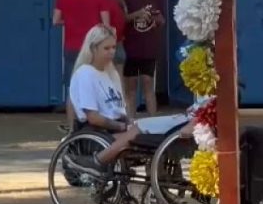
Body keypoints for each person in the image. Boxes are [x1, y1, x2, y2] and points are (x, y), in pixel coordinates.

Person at [63, 26, 189, 178]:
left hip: (115, 127)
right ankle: (96, 161)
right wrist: (122, 126)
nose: (111, 52)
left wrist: (129, 122)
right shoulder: (85, 74)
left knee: (156, 130)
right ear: (93, 49)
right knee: (138, 133)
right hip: (96, 131)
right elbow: (93, 117)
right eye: (106, 48)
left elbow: (119, 109)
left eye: (114, 47)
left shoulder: (111, 73)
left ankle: (164, 177)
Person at [53, 0, 110, 132]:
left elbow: (55, 21)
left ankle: (72, 128)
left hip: (72, 47)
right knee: (96, 87)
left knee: (73, 89)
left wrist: (69, 21)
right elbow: (105, 24)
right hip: (93, 48)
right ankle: (96, 127)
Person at [123, 0, 166, 117]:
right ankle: (130, 121)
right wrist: (138, 14)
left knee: (148, 84)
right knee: (131, 87)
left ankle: (153, 120)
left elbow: (163, 19)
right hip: (132, 47)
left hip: (150, 47)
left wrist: (157, 20)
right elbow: (123, 19)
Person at [92, 0, 127, 82]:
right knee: (118, 84)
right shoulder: (119, 2)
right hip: (119, 46)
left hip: (106, 47)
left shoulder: (104, 2)